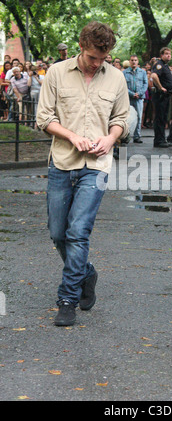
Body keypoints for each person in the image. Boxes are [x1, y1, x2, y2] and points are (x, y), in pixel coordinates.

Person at [36, 21, 129, 327]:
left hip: (97, 167)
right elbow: (44, 118)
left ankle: (67, 298)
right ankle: (86, 272)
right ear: (81, 47)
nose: (97, 63)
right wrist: (71, 136)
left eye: (103, 59)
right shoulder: (57, 73)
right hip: (62, 161)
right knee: (58, 233)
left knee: (78, 231)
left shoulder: (116, 77)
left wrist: (110, 138)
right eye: (93, 57)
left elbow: (121, 119)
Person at [151, 47, 172, 147]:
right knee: (160, 118)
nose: (168, 55)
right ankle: (158, 140)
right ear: (162, 55)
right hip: (161, 95)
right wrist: (161, 87)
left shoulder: (165, 65)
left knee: (163, 117)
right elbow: (154, 76)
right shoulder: (159, 65)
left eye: (169, 54)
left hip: (166, 95)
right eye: (166, 54)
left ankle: (162, 139)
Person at [123, 54, 148, 143]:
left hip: (139, 98)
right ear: (129, 62)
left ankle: (137, 136)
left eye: (135, 60)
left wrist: (140, 93)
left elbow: (145, 84)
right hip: (129, 98)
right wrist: (132, 94)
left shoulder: (142, 72)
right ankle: (126, 135)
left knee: (139, 117)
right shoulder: (124, 72)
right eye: (132, 60)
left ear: (138, 62)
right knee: (127, 117)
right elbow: (123, 85)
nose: (134, 62)